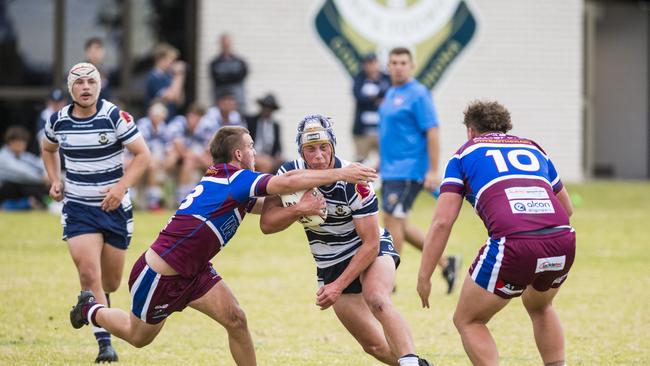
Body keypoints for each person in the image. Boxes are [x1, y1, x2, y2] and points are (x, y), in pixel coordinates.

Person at [67, 125, 378, 365]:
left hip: (196, 271)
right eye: (251, 147)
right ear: (239, 155)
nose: (255, 153)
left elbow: (270, 206)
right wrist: (341, 172)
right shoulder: (235, 178)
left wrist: (299, 206)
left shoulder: (232, 184)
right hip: (160, 274)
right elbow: (283, 184)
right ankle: (91, 309)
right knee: (138, 337)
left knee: (236, 320)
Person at [259, 115, 431, 366]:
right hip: (330, 261)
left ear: (333, 147)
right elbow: (267, 224)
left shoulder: (355, 181)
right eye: (310, 149)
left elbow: (371, 243)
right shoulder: (289, 175)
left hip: (368, 250)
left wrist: (338, 286)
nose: (318, 155)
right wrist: (299, 209)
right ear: (301, 151)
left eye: (323, 147)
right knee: (374, 345)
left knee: (378, 299)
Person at [417, 100, 576, 366]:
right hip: (563, 239)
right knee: (540, 306)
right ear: (506, 127)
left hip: (514, 244)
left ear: (470, 131)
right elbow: (567, 208)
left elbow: (442, 222)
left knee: (469, 320)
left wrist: (425, 275)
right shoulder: (533, 148)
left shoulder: (462, 155)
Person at [41, 62, 151, 363]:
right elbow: (47, 149)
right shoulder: (58, 121)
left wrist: (120, 188)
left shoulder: (115, 116)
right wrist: (54, 179)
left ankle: (90, 306)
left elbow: (143, 156)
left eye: (91, 81)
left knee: (111, 283)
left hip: (114, 210)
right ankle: (105, 345)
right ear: (70, 88)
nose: (85, 87)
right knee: (89, 274)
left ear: (99, 86)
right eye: (79, 83)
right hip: (78, 209)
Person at [378, 47, 459, 294]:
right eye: (394, 62)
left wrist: (433, 170)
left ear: (412, 66)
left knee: (392, 223)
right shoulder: (391, 93)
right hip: (390, 170)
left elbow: (432, 131)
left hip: (408, 171)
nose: (398, 66)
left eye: (403, 62)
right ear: (388, 66)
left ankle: (386, 282)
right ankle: (447, 264)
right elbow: (393, 136)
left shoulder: (419, 93)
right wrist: (379, 164)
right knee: (400, 224)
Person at [166, 102, 213, 204]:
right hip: (169, 154)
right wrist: (195, 156)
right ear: (188, 115)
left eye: (198, 118)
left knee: (205, 162)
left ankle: (208, 196)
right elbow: (179, 149)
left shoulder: (203, 127)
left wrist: (198, 157)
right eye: (193, 116)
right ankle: (181, 197)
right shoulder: (178, 122)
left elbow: (208, 150)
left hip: (190, 158)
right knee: (176, 159)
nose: (194, 120)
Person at [352, 52, 391, 163]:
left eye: (373, 63)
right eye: (368, 64)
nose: (371, 66)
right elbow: (359, 97)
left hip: (382, 130)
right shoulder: (359, 79)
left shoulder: (386, 78)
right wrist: (377, 99)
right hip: (363, 131)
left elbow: (390, 96)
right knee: (361, 161)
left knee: (386, 160)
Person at [135, 101, 173, 210]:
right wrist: (151, 160)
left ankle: (159, 200)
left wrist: (169, 157)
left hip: (155, 159)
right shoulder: (143, 124)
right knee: (153, 164)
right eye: (156, 115)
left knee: (168, 161)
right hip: (138, 157)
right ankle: (152, 202)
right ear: (150, 114)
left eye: (160, 115)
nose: (158, 117)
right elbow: (141, 147)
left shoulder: (163, 127)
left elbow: (168, 147)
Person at [0, 126, 49, 209]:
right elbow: (21, 172)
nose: (21, 145)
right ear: (10, 142)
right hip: (5, 190)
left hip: (18, 190)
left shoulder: (23, 155)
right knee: (27, 185)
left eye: (23, 142)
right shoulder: (3, 156)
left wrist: (48, 175)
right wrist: (42, 178)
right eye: (18, 142)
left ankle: (34, 203)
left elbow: (39, 164)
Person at [209, 33, 248, 112]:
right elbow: (217, 77)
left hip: (238, 101)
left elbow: (242, 75)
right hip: (220, 100)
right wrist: (233, 75)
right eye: (224, 44)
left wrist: (225, 76)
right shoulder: (215, 62)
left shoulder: (240, 62)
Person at [146, 42, 186, 119]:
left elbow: (179, 101)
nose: (172, 63)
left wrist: (179, 77)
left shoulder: (169, 76)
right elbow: (169, 97)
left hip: (171, 119)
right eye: (171, 60)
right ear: (161, 59)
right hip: (157, 121)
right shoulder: (153, 77)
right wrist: (178, 75)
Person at [246, 93, 284, 173]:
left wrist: (278, 156)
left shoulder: (275, 126)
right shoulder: (250, 121)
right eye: (265, 107)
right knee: (265, 164)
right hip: (253, 154)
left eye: (270, 108)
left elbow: (278, 147)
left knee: (286, 165)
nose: (267, 110)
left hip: (269, 157)